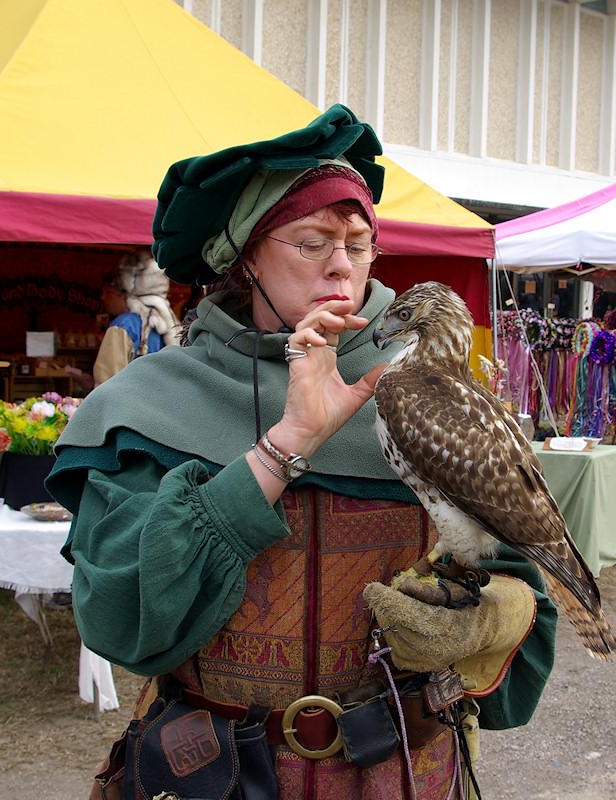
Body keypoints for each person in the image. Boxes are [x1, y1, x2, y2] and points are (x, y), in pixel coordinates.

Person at [47, 106, 556, 800]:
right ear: (246, 259)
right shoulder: (152, 405)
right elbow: (118, 617)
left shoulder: (425, 394)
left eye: (360, 242)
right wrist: (282, 447)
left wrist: (485, 620)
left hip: (403, 775)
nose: (343, 265)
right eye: (313, 241)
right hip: (217, 777)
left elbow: (527, 599)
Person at [92, 252, 180, 385]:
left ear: (123, 294)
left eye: (108, 292)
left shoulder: (124, 325)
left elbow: (107, 382)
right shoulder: (168, 322)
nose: (103, 298)